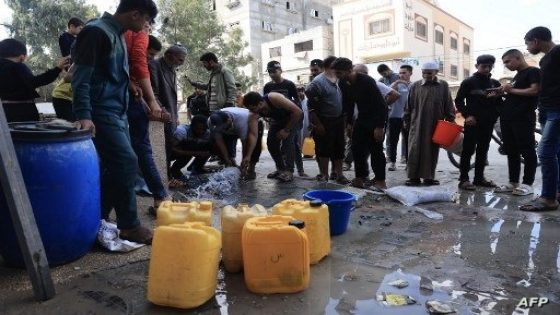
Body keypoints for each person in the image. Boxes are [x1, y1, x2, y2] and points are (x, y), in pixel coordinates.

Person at [72, 0, 158, 244]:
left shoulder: (117, 34)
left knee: (114, 166)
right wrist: (84, 114)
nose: (146, 26)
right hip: (101, 110)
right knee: (126, 160)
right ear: (135, 14)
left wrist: (129, 85)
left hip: (117, 110)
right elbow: (82, 77)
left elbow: (107, 71)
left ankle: (98, 217)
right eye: (146, 21)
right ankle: (129, 225)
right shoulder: (97, 31)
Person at [124, 23, 171, 213]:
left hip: (126, 100)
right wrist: (151, 102)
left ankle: (158, 196)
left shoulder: (121, 38)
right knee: (143, 150)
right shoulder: (140, 35)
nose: (150, 59)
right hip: (124, 101)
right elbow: (137, 63)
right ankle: (160, 195)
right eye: (149, 54)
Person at [520, 26, 560, 212]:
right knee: (556, 152)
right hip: (547, 110)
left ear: (535, 41)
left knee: (544, 152)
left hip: (556, 110)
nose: (527, 48)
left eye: (527, 43)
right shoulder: (546, 59)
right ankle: (555, 192)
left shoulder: (558, 53)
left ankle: (548, 198)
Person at [332, 58, 388, 189]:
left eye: (339, 73)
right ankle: (360, 178)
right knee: (357, 149)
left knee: (376, 151)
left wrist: (380, 127)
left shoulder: (367, 81)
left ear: (350, 70)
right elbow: (348, 104)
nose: (337, 76)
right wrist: (349, 124)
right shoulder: (342, 83)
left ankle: (381, 181)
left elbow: (382, 106)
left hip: (375, 118)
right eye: (336, 73)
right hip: (361, 118)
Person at [494, 49, 540, 196]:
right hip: (508, 118)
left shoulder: (533, 71)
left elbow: (534, 91)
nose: (506, 65)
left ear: (518, 58)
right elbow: (515, 93)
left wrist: (511, 90)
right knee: (511, 150)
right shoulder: (517, 76)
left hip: (523, 118)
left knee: (527, 150)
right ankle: (513, 182)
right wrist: (502, 92)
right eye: (504, 63)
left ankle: (528, 184)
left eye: (508, 61)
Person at [403, 61, 455, 186]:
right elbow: (408, 106)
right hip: (417, 124)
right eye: (424, 73)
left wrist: (451, 118)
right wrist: (406, 121)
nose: (426, 75)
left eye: (429, 73)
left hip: (435, 125)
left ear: (436, 72)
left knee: (432, 151)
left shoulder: (443, 85)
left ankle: (429, 177)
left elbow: (448, 103)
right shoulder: (415, 86)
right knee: (414, 150)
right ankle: (413, 178)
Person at [456, 55, 503, 190]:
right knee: (468, 150)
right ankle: (464, 179)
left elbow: (500, 103)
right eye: (483, 66)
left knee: (483, 150)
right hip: (472, 122)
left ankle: (479, 178)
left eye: (489, 66)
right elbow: (458, 100)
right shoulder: (469, 82)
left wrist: (496, 113)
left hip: (488, 122)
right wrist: (467, 115)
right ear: (477, 66)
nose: (487, 69)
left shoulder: (495, 83)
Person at [0, 38, 69, 122]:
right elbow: (35, 81)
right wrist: (57, 69)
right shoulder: (18, 66)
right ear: (22, 57)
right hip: (22, 112)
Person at [346, 64, 399, 172]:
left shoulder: (374, 83)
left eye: (357, 73)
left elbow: (395, 94)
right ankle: (358, 173)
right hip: (358, 120)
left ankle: (379, 178)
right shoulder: (350, 84)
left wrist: (383, 107)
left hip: (374, 122)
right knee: (356, 147)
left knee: (375, 149)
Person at [305, 56, 349, 183]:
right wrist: (318, 124)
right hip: (324, 121)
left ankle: (339, 174)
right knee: (324, 149)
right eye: (336, 67)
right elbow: (311, 107)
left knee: (339, 148)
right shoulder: (317, 83)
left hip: (339, 120)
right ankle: (324, 174)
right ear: (329, 67)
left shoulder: (338, 80)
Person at [243, 91, 303, 182]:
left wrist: (286, 130)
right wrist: (248, 156)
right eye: (250, 109)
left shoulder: (274, 98)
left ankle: (289, 171)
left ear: (260, 103)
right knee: (271, 143)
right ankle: (281, 169)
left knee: (287, 142)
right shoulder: (254, 114)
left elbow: (298, 112)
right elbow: (253, 135)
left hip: (294, 117)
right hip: (279, 120)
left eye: (253, 108)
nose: (252, 112)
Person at [263, 61, 307, 177]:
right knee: (272, 142)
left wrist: (297, 122)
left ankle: (291, 170)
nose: (272, 74)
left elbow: (297, 102)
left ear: (280, 71)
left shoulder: (289, 84)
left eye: (274, 71)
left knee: (289, 142)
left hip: (292, 117)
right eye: (270, 72)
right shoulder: (268, 86)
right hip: (277, 119)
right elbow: (265, 103)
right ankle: (280, 168)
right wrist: (268, 119)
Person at [149, 45, 187, 170]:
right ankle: (164, 177)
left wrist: (175, 115)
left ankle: (167, 174)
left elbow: (173, 96)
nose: (182, 63)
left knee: (168, 147)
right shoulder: (154, 66)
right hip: (160, 115)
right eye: (180, 59)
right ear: (170, 55)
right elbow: (153, 93)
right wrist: (163, 110)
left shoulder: (172, 69)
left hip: (170, 116)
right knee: (160, 149)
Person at [207, 107, 261, 179]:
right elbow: (219, 141)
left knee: (253, 146)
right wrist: (226, 158)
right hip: (232, 126)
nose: (222, 128)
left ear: (228, 120)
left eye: (223, 126)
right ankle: (231, 164)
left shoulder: (241, 121)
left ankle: (251, 169)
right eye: (220, 127)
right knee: (215, 143)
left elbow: (245, 144)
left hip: (252, 122)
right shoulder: (211, 122)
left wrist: (244, 161)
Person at [169, 115, 212, 182]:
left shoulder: (207, 133)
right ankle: (174, 170)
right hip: (172, 153)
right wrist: (194, 153)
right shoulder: (181, 132)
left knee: (209, 148)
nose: (200, 131)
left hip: (188, 151)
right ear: (192, 126)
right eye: (197, 129)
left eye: (203, 129)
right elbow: (170, 148)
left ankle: (196, 168)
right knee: (189, 147)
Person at [387, 65, 413, 171]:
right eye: (400, 73)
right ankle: (393, 162)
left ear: (410, 73)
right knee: (393, 140)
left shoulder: (414, 85)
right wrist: (397, 83)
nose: (401, 75)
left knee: (408, 141)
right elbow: (388, 93)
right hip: (395, 116)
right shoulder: (396, 84)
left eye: (404, 73)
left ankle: (408, 163)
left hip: (408, 117)